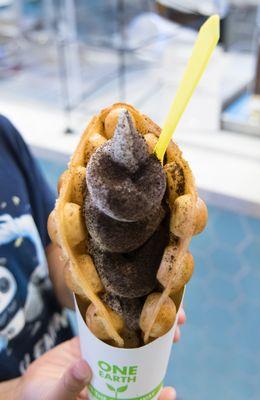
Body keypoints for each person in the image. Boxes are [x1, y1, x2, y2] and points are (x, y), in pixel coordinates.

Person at [0, 115, 186, 399]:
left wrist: (107, 301)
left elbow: (56, 257)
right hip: (41, 379)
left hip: (73, 356)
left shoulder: (3, 137)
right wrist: (16, 392)